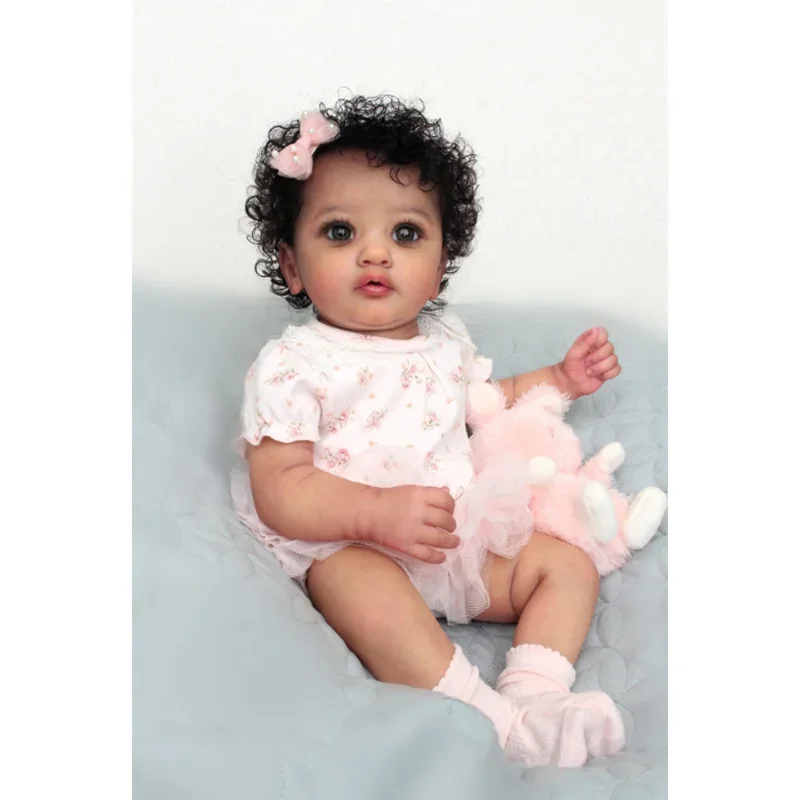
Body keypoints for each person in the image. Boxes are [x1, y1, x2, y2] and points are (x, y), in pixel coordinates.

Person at [232, 95, 629, 767]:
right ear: (292, 265)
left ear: (442, 264)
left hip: (453, 537)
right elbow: (280, 487)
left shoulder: (445, 343)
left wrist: (560, 380)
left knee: (566, 564)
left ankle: (536, 697)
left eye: (406, 234)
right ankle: (494, 722)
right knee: (356, 587)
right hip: (353, 541)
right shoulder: (294, 363)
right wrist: (373, 512)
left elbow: (487, 402)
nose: (375, 253)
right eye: (340, 232)